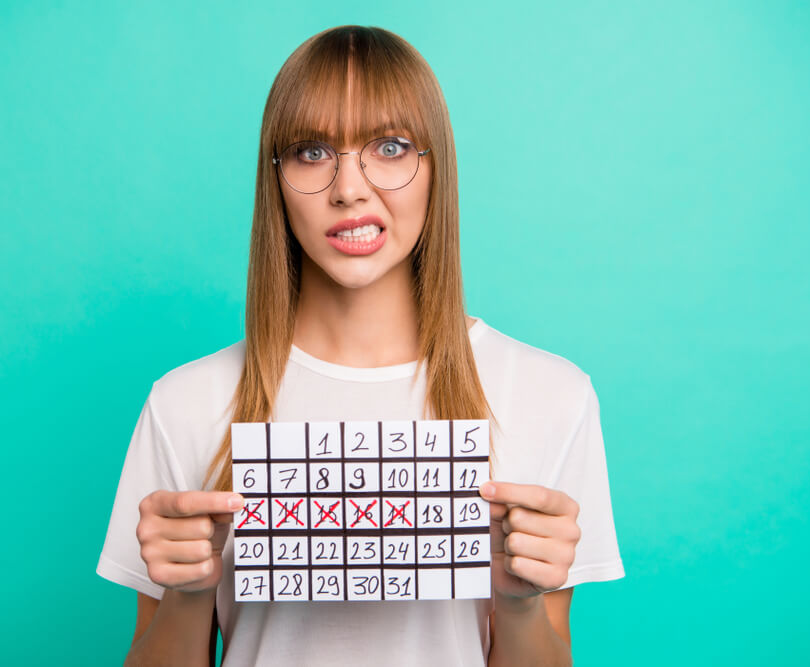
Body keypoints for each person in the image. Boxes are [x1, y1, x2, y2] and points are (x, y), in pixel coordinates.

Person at [97, 24, 624, 666]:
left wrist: (516, 604)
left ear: (436, 168)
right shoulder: (186, 402)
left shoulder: (550, 395)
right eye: (313, 152)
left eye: (391, 147)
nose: (349, 188)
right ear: (276, 178)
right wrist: (185, 596)